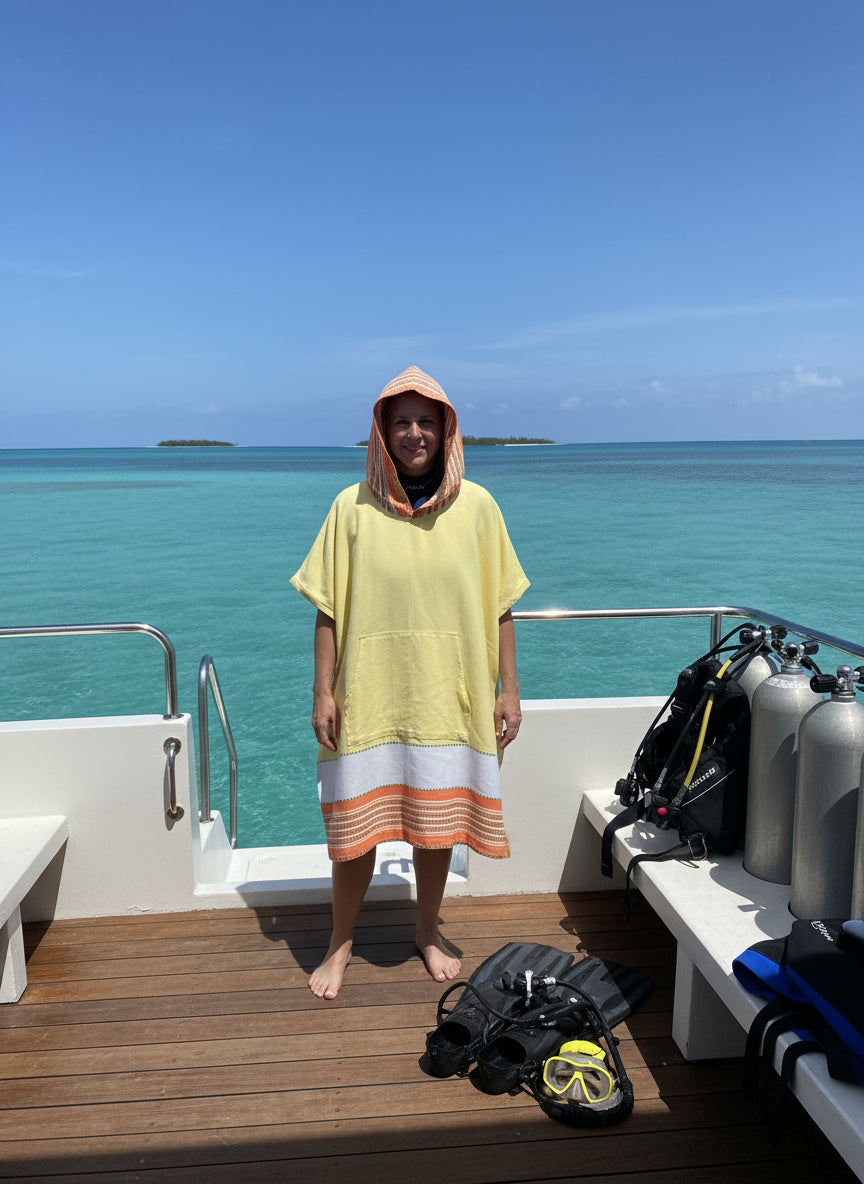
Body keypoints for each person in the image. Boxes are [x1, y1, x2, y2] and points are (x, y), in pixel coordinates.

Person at [290, 365, 529, 998]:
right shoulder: (352, 507)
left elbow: (501, 605)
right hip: (368, 696)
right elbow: (328, 609)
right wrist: (323, 691)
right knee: (353, 832)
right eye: (402, 422)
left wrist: (508, 689)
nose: (415, 434)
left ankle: (427, 930)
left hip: (446, 696)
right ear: (382, 431)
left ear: (447, 429)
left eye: (427, 421)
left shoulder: (478, 507)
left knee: (435, 826)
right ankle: (341, 943)